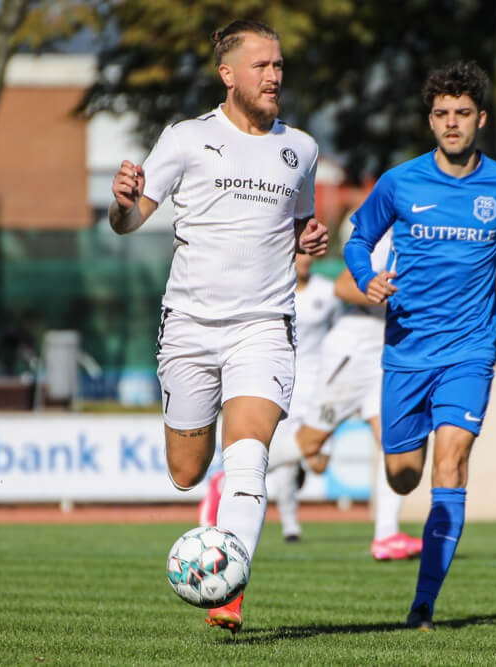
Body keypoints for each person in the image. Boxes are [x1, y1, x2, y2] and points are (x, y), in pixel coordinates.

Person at [108, 19, 328, 634]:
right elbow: (126, 222)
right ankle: (202, 485)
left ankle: (228, 591)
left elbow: (300, 233)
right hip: (189, 327)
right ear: (227, 75)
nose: (275, 75)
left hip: (263, 324)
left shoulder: (302, 149)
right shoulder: (184, 139)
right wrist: (121, 203)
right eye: (261, 65)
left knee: (249, 455)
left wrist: (309, 238)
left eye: (279, 64)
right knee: (186, 471)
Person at [343, 61, 496, 631]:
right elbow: (358, 238)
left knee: (454, 459)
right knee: (404, 474)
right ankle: (405, 465)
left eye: (463, 114)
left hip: (470, 349)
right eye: (443, 114)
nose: (453, 124)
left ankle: (423, 604)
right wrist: (365, 278)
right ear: (431, 120)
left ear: (482, 119)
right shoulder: (400, 182)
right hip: (406, 349)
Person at [296, 227, 423, 562]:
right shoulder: (393, 234)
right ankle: (228, 483)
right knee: (310, 444)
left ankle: (386, 535)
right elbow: (342, 285)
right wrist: (387, 293)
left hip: (387, 349)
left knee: (392, 441)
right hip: (354, 348)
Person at [198, 251, 341, 543]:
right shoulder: (274, 290)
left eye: (307, 256)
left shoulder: (327, 292)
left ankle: (227, 477)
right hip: (286, 382)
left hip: (320, 384)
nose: (305, 261)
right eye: (299, 255)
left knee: (319, 461)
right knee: (290, 464)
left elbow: (340, 330)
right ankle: (291, 527)